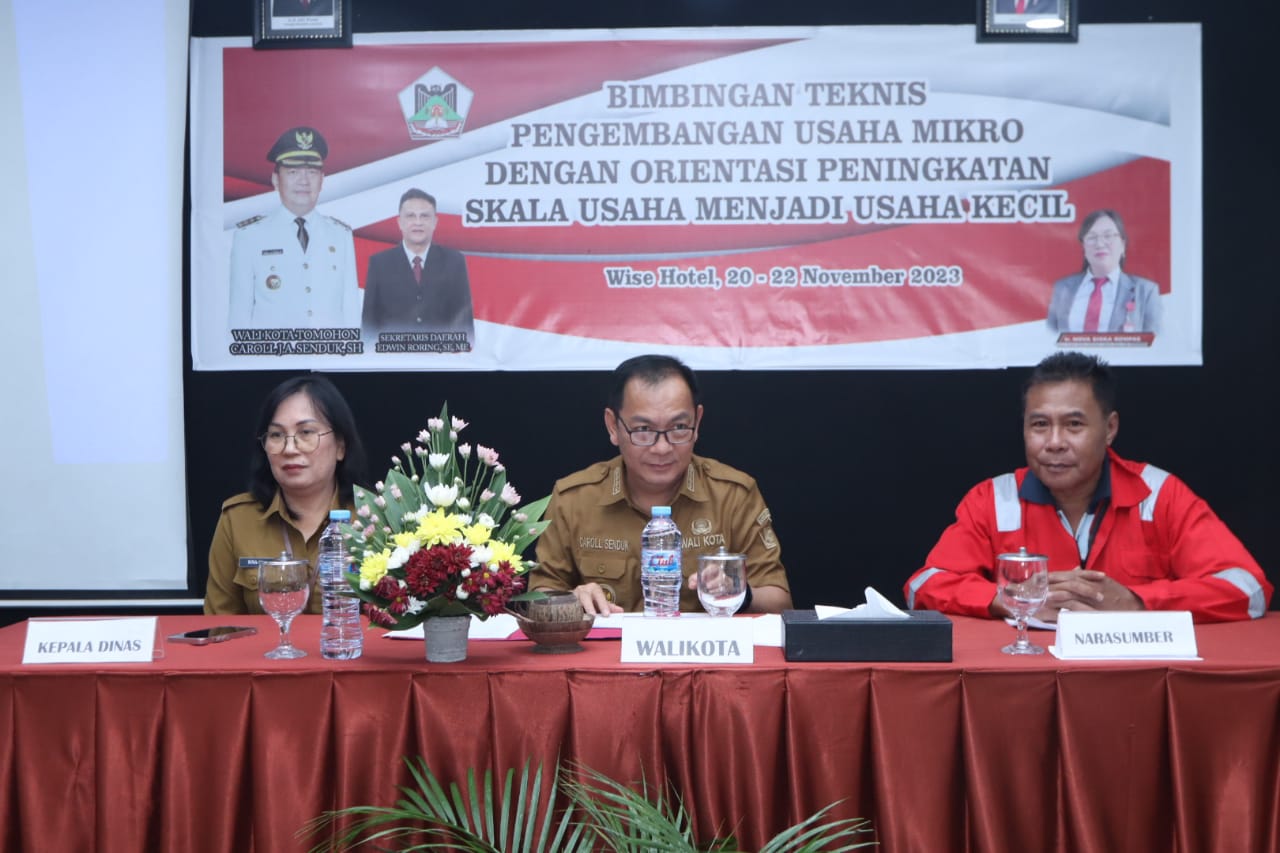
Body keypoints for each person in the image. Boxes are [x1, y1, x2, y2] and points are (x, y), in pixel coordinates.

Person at [904, 352, 1271, 623]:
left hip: (1134, 680)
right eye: (1039, 425)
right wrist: (1010, 600)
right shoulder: (993, 499)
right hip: (1027, 683)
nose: (1054, 442)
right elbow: (923, 586)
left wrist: (1137, 602)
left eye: (1074, 425)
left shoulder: (1159, 494)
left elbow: (1248, 589)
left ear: (1110, 429)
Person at [532, 354, 793, 615]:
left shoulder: (733, 495)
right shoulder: (574, 499)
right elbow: (536, 600)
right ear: (613, 426)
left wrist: (738, 592)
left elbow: (780, 603)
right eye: (643, 429)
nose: (662, 448)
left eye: (679, 426)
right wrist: (571, 599)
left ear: (697, 422)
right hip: (608, 643)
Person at [205, 375, 367, 615]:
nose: (290, 448)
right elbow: (221, 625)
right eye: (276, 435)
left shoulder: (375, 520)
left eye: (306, 432)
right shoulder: (238, 520)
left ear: (340, 446)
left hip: (346, 640)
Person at [228, 126, 360, 329]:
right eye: (293, 172)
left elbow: (351, 314)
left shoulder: (340, 235)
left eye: (312, 172)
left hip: (328, 348)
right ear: (275, 180)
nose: (303, 181)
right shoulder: (249, 236)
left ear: (322, 180)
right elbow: (239, 318)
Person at [361, 188, 475, 351]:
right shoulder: (379, 263)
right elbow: (369, 325)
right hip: (392, 359)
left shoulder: (454, 261)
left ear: (435, 222)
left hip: (441, 359)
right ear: (399, 222)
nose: (418, 222)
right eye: (410, 216)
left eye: (424, 216)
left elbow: (465, 325)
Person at [1046, 209, 1162, 335]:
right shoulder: (1063, 288)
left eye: (1108, 236)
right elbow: (1048, 337)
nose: (1100, 244)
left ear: (1123, 245)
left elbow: (1157, 342)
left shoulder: (1145, 291)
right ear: (1083, 247)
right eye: (1092, 237)